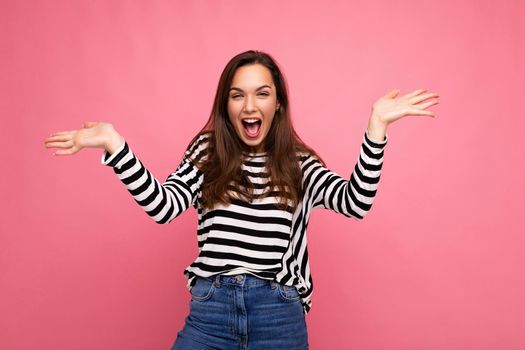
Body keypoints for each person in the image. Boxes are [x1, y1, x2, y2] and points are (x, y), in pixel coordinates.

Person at [44, 50, 439, 350]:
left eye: (261, 94)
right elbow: (163, 207)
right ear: (227, 105)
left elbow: (355, 202)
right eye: (238, 96)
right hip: (211, 310)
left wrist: (376, 129)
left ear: (278, 102)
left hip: (278, 312)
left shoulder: (297, 162)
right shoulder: (207, 151)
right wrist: (116, 144)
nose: (250, 106)